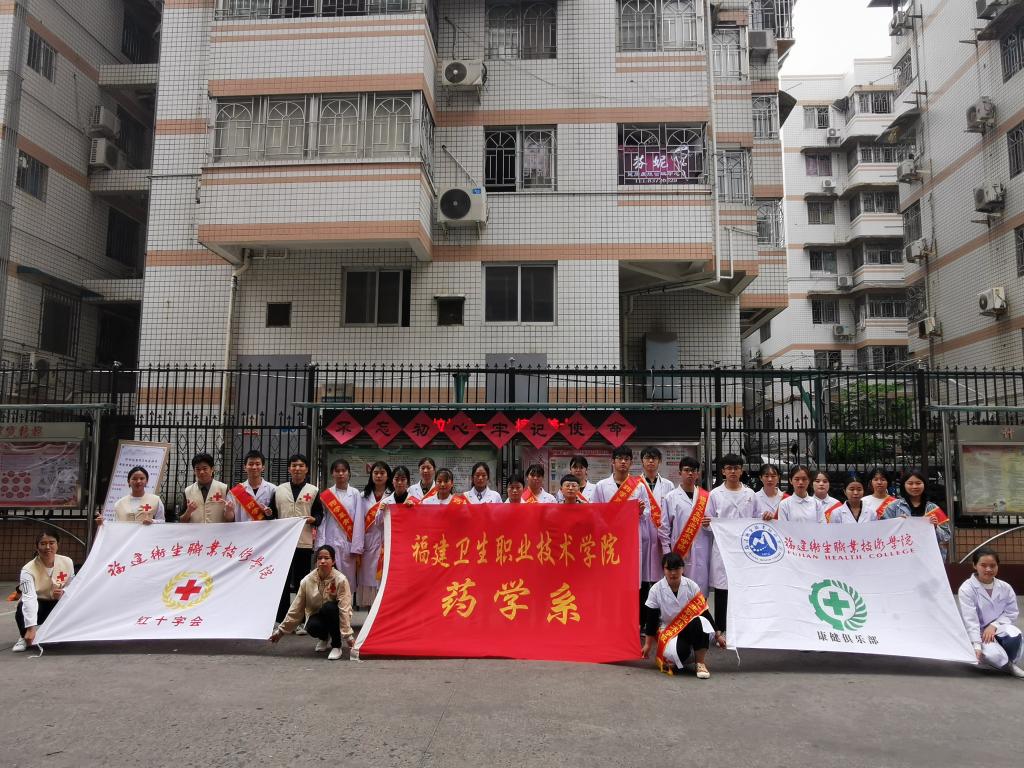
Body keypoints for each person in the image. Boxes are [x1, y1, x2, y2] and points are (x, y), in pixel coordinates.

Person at [642, 553, 726, 678]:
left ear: (683, 568)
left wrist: (718, 635)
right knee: (678, 655)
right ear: (663, 569)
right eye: (669, 569)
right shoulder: (655, 589)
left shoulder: (692, 586)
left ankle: (700, 663)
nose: (673, 573)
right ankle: (687, 653)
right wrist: (647, 645)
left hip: (691, 628)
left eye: (676, 569)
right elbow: (651, 619)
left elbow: (704, 611)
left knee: (700, 620)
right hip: (669, 630)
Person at [594, 446, 650, 634]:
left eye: (627, 459)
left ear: (631, 462)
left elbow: (647, 514)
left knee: (631, 584)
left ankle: (631, 622)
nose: (623, 462)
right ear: (613, 461)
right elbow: (595, 512)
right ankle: (608, 622)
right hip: (609, 542)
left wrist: (641, 512)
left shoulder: (639, 486)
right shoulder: (602, 486)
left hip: (630, 542)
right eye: (620, 458)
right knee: (610, 582)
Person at [704, 453, 758, 637]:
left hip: (744, 550)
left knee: (743, 588)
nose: (733, 471)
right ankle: (720, 629)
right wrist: (708, 524)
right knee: (722, 589)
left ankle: (743, 628)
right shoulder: (715, 494)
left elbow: (757, 520)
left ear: (741, 471)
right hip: (722, 549)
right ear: (723, 471)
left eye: (736, 468)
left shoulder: (750, 494)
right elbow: (708, 522)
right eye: (729, 468)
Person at [270, 545, 354, 661]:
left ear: (333, 561)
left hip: (336, 616)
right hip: (317, 615)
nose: (322, 561)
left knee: (329, 607)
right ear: (316, 561)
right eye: (319, 558)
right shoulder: (306, 581)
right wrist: (280, 631)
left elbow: (344, 608)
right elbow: (296, 607)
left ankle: (336, 645)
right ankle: (324, 637)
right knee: (312, 626)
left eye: (326, 558)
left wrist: (348, 636)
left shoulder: (341, 580)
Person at [957, 548, 1023, 677]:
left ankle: (1009, 661)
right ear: (974, 565)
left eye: (992, 565)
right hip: (978, 632)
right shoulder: (967, 588)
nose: (988, 569)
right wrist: (977, 645)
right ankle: (1008, 666)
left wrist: (994, 625)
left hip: (997, 628)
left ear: (997, 566)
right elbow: (970, 620)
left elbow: (1012, 612)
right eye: (983, 565)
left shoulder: (1005, 587)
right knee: (994, 655)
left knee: (1014, 634)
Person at [275, 453, 324, 625]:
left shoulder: (313, 490)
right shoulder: (279, 490)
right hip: (283, 543)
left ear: (306, 469)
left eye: (301, 465)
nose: (297, 469)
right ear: (289, 468)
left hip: (304, 542)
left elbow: (319, 513)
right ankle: (281, 618)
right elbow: (273, 514)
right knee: (282, 581)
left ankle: (301, 619)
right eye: (294, 465)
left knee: (302, 582)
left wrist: (314, 519)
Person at [12, 530, 75, 652]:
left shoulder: (67, 562)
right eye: (43, 543)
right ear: (37, 547)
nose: (48, 547)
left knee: (72, 604)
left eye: (52, 543)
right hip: (38, 603)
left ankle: (56, 634)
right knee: (22, 607)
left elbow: (72, 585)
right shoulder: (27, 570)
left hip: (57, 602)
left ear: (57, 544)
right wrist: (30, 628)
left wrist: (64, 592)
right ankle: (23, 637)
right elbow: (29, 598)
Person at [661, 456, 712, 595]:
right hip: (679, 550)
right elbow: (664, 528)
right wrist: (667, 553)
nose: (690, 473)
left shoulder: (706, 497)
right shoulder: (670, 497)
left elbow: (714, 524)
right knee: (679, 591)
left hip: (702, 550)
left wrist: (709, 525)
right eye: (687, 470)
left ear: (698, 474)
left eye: (693, 471)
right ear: (680, 473)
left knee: (700, 592)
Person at [317, 458, 364, 592]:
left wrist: (356, 547)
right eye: (337, 471)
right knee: (329, 580)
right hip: (330, 542)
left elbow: (359, 521)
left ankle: (345, 605)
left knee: (346, 582)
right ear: (332, 473)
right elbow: (322, 521)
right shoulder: (327, 495)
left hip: (347, 544)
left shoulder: (355, 494)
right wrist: (321, 544)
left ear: (348, 473)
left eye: (344, 470)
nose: (341, 474)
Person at [884, 469, 952, 557]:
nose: (914, 486)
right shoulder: (893, 507)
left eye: (918, 483)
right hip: (902, 556)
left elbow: (946, 537)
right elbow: (884, 533)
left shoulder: (933, 508)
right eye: (910, 483)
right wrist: (898, 523)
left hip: (928, 557)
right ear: (904, 485)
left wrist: (935, 527)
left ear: (924, 485)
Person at [358, 461, 393, 608]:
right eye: (376, 473)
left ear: (388, 476)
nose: (379, 476)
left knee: (385, 580)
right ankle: (369, 614)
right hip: (368, 543)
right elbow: (359, 522)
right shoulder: (362, 496)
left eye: (382, 473)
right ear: (371, 475)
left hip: (387, 542)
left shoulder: (393, 495)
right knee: (368, 580)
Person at [180, 452, 231, 523]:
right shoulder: (188, 491)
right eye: (198, 469)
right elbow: (182, 521)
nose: (201, 472)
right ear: (194, 471)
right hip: (196, 530)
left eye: (205, 468)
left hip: (217, 530)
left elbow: (231, 519)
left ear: (212, 469)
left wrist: (229, 511)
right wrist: (189, 511)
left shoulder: (223, 488)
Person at [227, 450, 276, 522]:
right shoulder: (235, 492)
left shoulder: (273, 489)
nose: (254, 467)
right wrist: (228, 511)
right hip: (243, 529)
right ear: (245, 467)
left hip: (265, 529)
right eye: (251, 464)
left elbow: (277, 515)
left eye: (257, 464)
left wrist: (269, 513)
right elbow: (229, 519)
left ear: (263, 467)